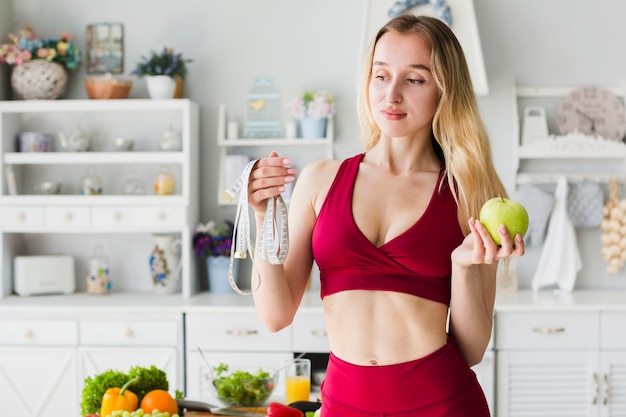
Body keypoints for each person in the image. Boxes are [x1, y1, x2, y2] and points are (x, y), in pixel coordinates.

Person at [245, 13, 525, 417]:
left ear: (444, 90)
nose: (391, 94)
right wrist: (264, 216)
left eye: (414, 79)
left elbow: (472, 349)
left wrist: (463, 267)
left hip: (442, 404)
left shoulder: (470, 193)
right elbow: (274, 315)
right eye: (381, 75)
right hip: (344, 405)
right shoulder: (320, 180)